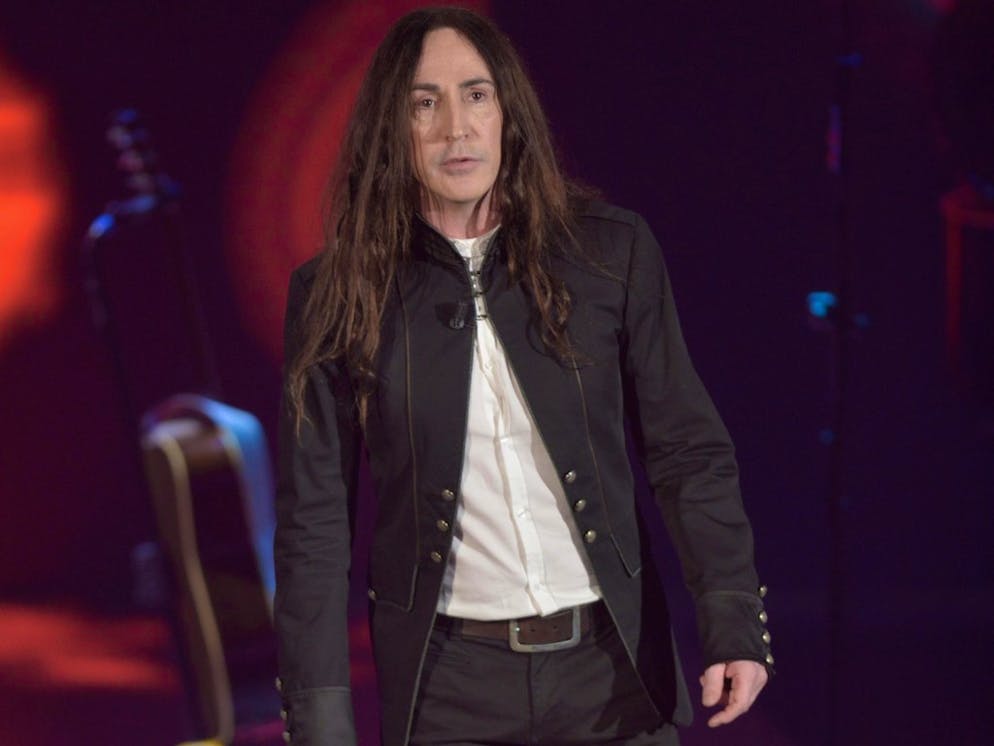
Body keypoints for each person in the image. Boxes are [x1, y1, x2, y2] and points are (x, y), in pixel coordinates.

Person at [274, 7, 772, 746]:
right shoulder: (339, 293)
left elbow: (686, 450)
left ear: (508, 111)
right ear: (390, 128)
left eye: (476, 95)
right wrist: (320, 718)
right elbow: (314, 524)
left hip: (612, 676)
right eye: (424, 103)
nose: (455, 128)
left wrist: (732, 617)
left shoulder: (608, 252)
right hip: (451, 689)